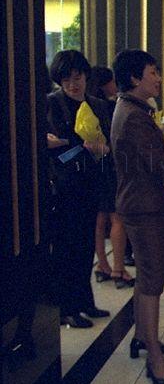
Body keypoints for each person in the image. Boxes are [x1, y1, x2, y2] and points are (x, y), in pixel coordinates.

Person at [111, 49, 164, 384]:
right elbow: (157, 161)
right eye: (153, 72)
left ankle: (143, 338)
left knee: (147, 274)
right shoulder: (134, 115)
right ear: (135, 78)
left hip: (138, 202)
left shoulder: (131, 109)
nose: (158, 78)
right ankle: (153, 357)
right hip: (143, 206)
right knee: (152, 279)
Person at [47, 50, 113, 328]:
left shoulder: (98, 105)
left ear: (86, 77)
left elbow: (110, 142)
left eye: (78, 78)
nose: (73, 84)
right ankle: (67, 308)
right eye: (67, 79)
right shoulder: (51, 104)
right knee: (67, 248)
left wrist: (103, 149)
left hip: (91, 183)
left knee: (86, 245)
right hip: (63, 186)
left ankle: (85, 301)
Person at [87, 66, 134, 288]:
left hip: (93, 168)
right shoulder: (110, 106)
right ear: (107, 82)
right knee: (117, 217)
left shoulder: (87, 105)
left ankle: (101, 265)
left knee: (100, 218)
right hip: (111, 165)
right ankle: (118, 268)